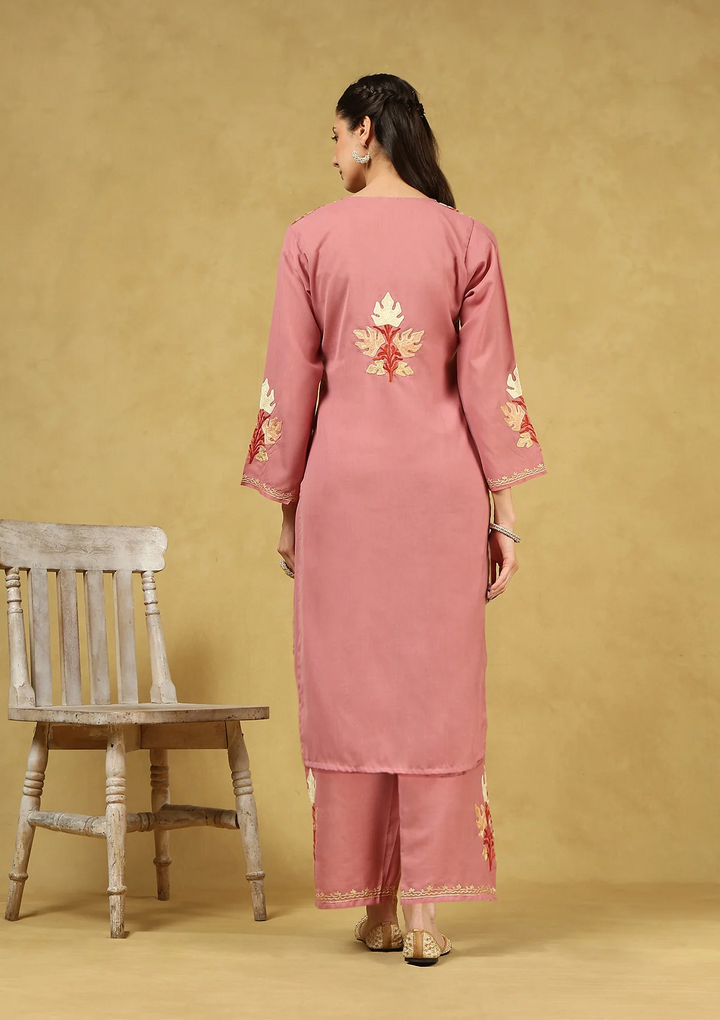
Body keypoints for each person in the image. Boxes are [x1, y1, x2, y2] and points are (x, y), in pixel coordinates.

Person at [241, 73, 547, 966]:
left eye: (336, 136)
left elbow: (292, 379)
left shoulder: (308, 238)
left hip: (341, 490)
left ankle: (374, 908)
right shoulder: (466, 239)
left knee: (353, 691)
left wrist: (288, 507)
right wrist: (505, 513)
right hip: (440, 492)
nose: (332, 154)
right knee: (435, 693)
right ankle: (423, 915)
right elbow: (489, 386)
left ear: (367, 131)